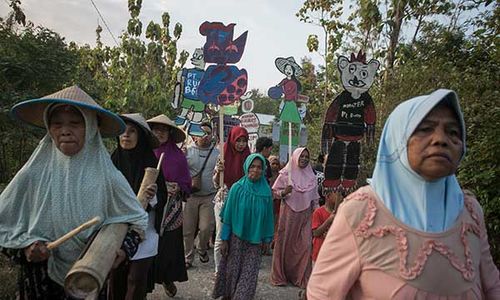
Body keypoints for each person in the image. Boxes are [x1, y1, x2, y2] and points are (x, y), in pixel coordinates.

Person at [307, 89, 500, 299]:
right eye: (425, 129)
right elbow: (322, 293)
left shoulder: (470, 212)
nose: (441, 139)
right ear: (398, 138)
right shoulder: (361, 211)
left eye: (453, 132)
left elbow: (492, 284)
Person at [0, 86, 148, 299]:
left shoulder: (109, 178)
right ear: (48, 128)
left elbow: (137, 224)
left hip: (88, 281)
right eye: (57, 124)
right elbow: (5, 225)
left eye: (75, 124)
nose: (65, 130)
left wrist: (122, 251)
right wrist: (25, 249)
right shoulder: (31, 175)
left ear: (90, 128)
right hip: (38, 282)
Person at [108, 113, 167, 300]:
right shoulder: (111, 163)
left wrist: (152, 197)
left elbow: (162, 196)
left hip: (144, 231)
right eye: (123, 131)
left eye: (132, 131)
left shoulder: (151, 164)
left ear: (140, 137)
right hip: (115, 230)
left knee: (136, 279)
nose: (126, 135)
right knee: (115, 279)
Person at [212, 153, 274, 300]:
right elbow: (228, 217)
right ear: (246, 167)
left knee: (249, 274)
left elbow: (268, 219)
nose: (256, 170)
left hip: (255, 242)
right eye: (252, 166)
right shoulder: (236, 189)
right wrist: (224, 239)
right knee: (232, 271)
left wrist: (267, 239)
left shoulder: (266, 193)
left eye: (259, 167)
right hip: (236, 238)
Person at [147, 114, 190, 298]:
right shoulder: (145, 152)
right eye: (156, 129)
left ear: (170, 133)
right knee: (145, 242)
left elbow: (186, 182)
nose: (160, 133)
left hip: (171, 208)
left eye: (164, 130)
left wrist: (177, 187)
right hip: (148, 205)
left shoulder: (178, 157)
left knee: (168, 246)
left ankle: (167, 278)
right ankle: (142, 284)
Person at [271, 147, 320, 290]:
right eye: (301, 156)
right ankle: (281, 275)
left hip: (306, 217)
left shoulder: (312, 177)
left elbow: (315, 200)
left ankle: (300, 277)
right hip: (288, 216)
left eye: (306, 156)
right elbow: (274, 193)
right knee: (285, 244)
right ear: (295, 157)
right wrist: (284, 192)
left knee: (305, 246)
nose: (304, 159)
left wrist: (318, 215)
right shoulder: (286, 174)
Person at [213, 126, 250, 274]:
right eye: (238, 140)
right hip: (225, 196)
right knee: (221, 235)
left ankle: (233, 269)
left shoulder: (249, 158)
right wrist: (219, 172)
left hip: (243, 199)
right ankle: (218, 271)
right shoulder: (222, 156)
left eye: (244, 141)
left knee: (238, 236)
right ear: (232, 140)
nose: (241, 144)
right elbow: (215, 183)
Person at [184, 122, 219, 269]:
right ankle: (187, 258)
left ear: (212, 135)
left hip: (209, 196)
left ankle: (202, 248)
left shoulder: (217, 154)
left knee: (206, 228)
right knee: (187, 230)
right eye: (201, 133)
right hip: (190, 196)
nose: (205, 136)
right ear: (195, 136)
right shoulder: (187, 152)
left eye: (208, 133)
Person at [311, 191, 342, 264]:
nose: (340, 197)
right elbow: (315, 233)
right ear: (328, 196)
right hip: (319, 255)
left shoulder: (341, 213)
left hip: (334, 255)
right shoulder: (318, 212)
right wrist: (328, 221)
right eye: (336, 193)